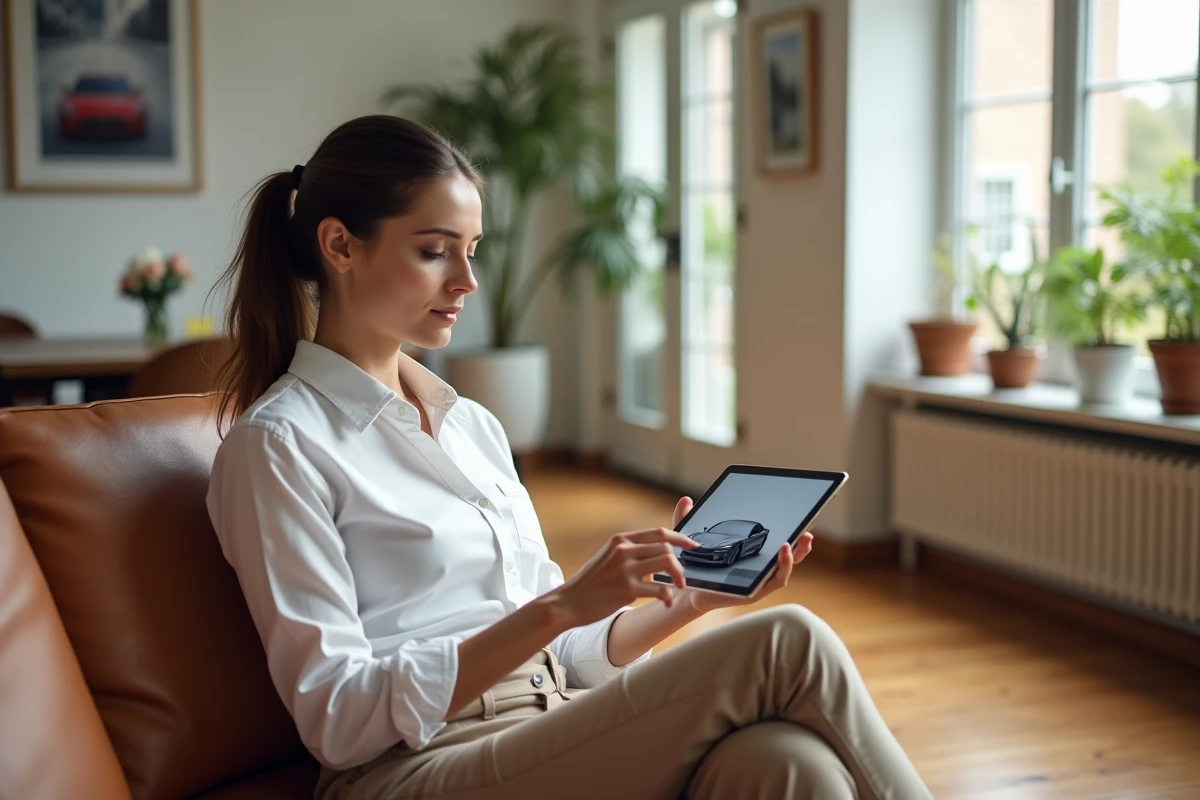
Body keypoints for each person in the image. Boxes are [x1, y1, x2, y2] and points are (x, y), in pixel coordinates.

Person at [205, 114, 931, 800]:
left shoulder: (473, 428)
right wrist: (559, 606)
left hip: (544, 726)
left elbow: (573, 658)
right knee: (789, 641)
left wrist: (688, 599)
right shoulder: (279, 446)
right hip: (411, 770)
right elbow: (338, 718)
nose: (467, 281)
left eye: (472, 249)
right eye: (434, 250)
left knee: (785, 765)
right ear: (340, 247)